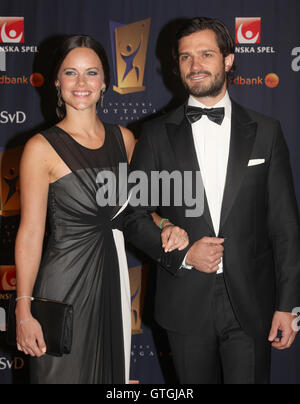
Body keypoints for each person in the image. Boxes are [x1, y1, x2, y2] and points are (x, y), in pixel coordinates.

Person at [123, 17, 300, 384]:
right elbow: (133, 214)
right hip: (184, 301)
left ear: (229, 60)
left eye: (206, 54)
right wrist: (183, 254)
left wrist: (287, 305)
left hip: (252, 303)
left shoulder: (266, 132)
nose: (195, 65)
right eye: (186, 57)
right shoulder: (156, 134)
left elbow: (285, 226)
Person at [14, 34, 189, 385]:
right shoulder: (39, 148)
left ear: (105, 82)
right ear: (57, 82)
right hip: (62, 285)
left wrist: (167, 224)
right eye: (70, 73)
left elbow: (137, 209)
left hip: (112, 278)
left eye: (91, 73)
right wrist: (23, 307)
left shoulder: (124, 140)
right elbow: (31, 232)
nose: (81, 83)